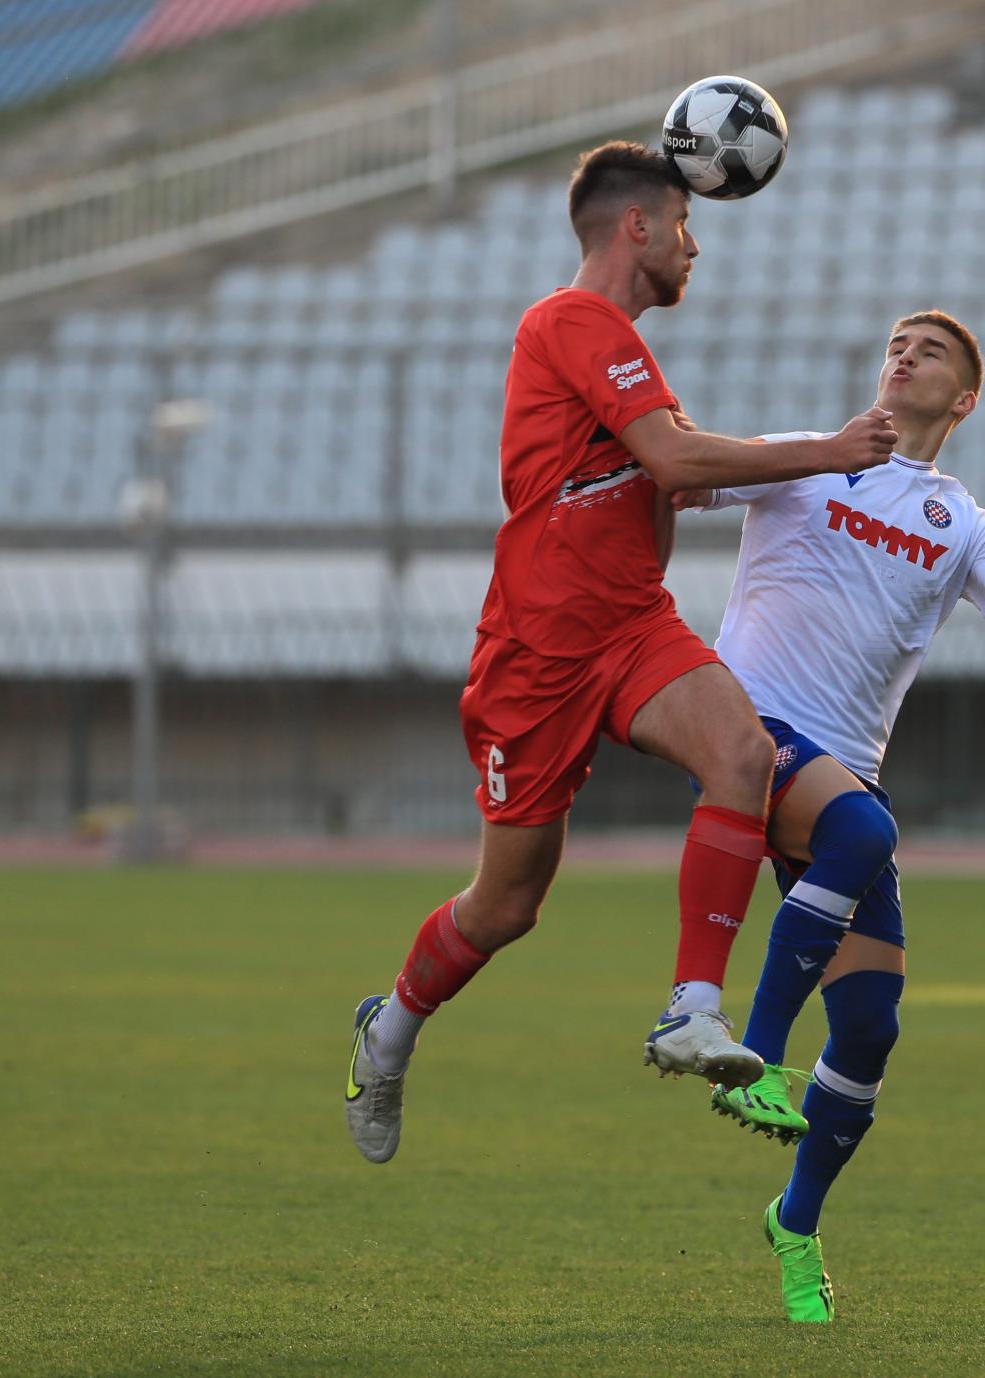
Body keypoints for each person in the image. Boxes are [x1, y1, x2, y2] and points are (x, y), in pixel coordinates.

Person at [342, 142, 898, 1165]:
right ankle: (391, 1029)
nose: (696, 249)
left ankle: (692, 1008)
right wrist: (828, 448)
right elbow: (675, 456)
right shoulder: (569, 321)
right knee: (509, 903)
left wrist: (697, 476)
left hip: (633, 625)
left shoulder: (620, 351)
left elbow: (672, 469)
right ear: (636, 226)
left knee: (743, 754)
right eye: (687, 225)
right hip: (539, 648)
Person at [672, 310, 985, 1323]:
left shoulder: (964, 522)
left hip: (840, 772)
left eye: (930, 352)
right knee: (864, 833)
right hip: (749, 730)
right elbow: (679, 478)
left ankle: (795, 1222)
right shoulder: (807, 459)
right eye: (896, 344)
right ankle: (747, 1058)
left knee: (871, 1028)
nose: (905, 355)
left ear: (963, 399)